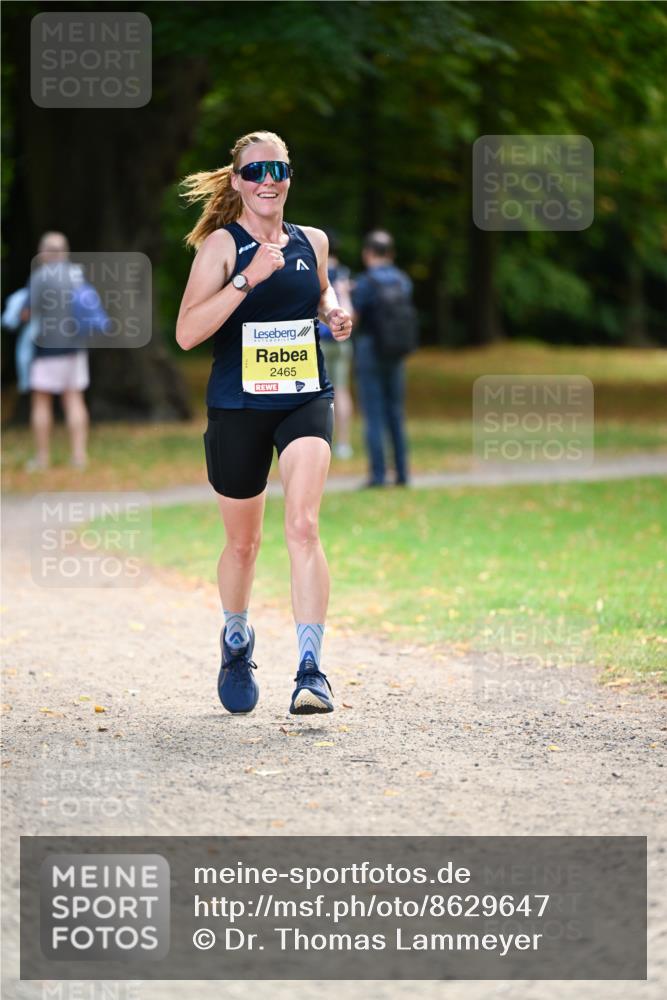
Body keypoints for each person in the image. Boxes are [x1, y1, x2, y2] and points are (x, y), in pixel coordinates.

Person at [176, 130, 352, 716]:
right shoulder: (222, 249)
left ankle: (310, 670)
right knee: (244, 543)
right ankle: (235, 640)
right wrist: (248, 279)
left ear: (289, 176)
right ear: (237, 182)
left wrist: (334, 312)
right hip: (237, 404)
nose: (267, 180)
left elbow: (321, 291)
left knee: (302, 525)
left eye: (277, 168)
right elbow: (187, 332)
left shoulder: (313, 241)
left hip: (304, 395)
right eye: (254, 172)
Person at [24, 232, 90, 471]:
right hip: (75, 347)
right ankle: (79, 457)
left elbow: (27, 313)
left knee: (41, 402)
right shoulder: (76, 274)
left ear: (44, 252)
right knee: (74, 400)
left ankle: (42, 458)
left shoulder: (40, 276)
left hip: (46, 349)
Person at [352, 230, 413, 488]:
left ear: (367, 254)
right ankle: (402, 473)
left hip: (369, 350)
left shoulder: (365, 282)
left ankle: (378, 475)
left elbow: (353, 318)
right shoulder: (403, 281)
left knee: (374, 414)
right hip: (396, 352)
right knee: (395, 413)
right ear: (391, 253)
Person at [317, 232, 355, 459]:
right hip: (342, 339)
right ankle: (344, 443)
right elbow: (350, 313)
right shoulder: (343, 274)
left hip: (318, 339)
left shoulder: (315, 270)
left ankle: (322, 441)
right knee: (341, 390)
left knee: (319, 394)